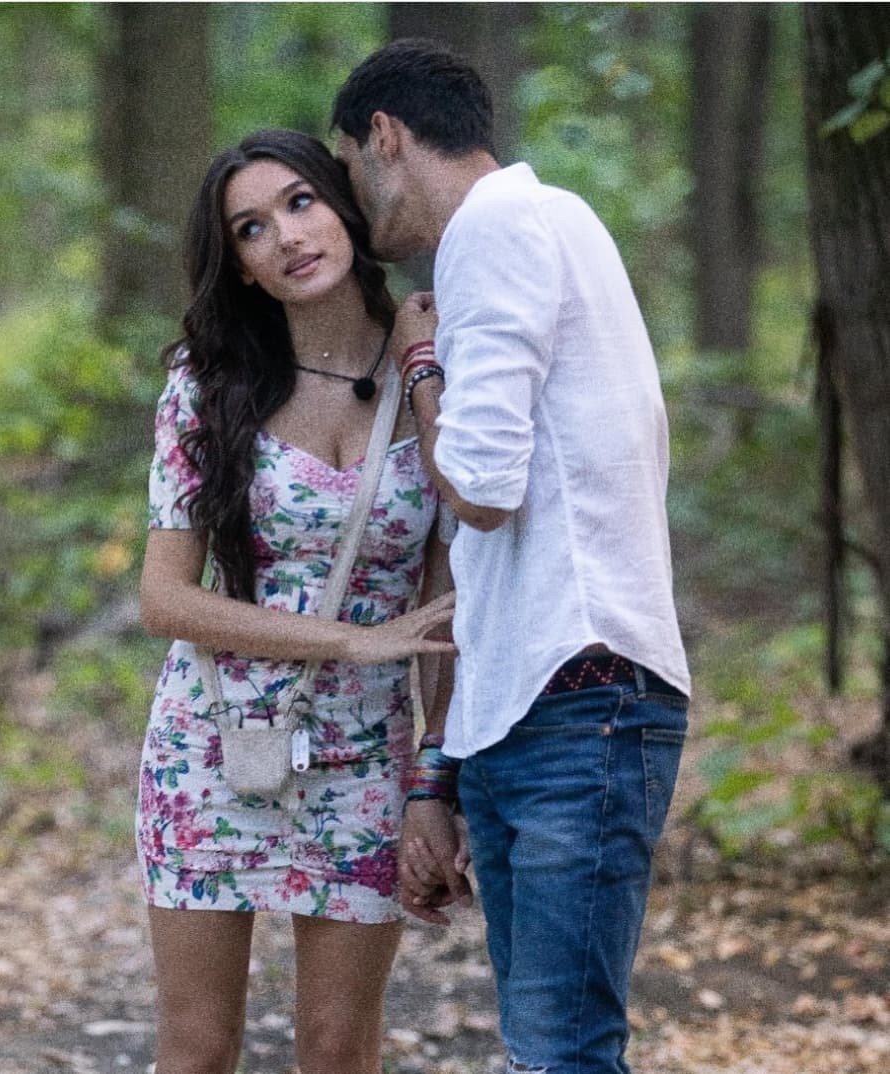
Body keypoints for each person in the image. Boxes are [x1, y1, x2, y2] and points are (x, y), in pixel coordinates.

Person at [333, 39, 692, 1074]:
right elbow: (489, 559)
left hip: (579, 699)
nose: (352, 205)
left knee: (561, 1053)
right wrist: (443, 774)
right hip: (546, 701)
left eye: (349, 170)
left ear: (385, 137)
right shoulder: (549, 221)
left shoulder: (491, 231)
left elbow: (480, 492)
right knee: (550, 1050)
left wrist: (420, 364)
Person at [136, 128, 457, 1074]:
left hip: (365, 758)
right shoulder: (207, 386)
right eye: (251, 228)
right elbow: (164, 598)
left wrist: (433, 782)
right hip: (213, 744)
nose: (286, 236)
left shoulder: (436, 361)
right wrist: (344, 640)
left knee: (338, 1048)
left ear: (342, 205)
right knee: (198, 1050)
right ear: (240, 265)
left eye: (300, 202)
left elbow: (447, 606)